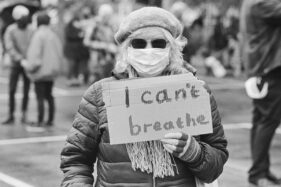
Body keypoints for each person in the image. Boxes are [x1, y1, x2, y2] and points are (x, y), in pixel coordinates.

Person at [60, 7, 228, 187]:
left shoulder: (195, 91)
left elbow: (216, 161)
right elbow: (75, 160)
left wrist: (195, 153)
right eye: (139, 43)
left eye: (158, 43)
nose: (149, 50)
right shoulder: (99, 94)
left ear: (172, 48)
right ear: (126, 48)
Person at [240, 0, 281, 186]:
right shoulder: (262, 3)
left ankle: (260, 170)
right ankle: (258, 173)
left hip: (261, 67)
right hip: (267, 68)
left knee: (260, 120)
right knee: (267, 120)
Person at [24, 12, 64, 127]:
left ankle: (40, 120)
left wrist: (30, 68)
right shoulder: (53, 35)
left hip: (40, 72)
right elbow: (59, 53)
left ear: (38, 22)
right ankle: (50, 120)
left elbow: (34, 55)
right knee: (49, 96)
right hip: (52, 72)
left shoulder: (38, 35)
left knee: (40, 97)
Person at [2, 5, 33, 125]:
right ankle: (11, 114)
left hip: (27, 64)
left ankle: (24, 114)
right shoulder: (11, 29)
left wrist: (29, 60)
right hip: (16, 64)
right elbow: (9, 46)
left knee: (26, 90)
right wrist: (20, 59)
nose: (26, 19)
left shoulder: (31, 29)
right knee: (11, 89)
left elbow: (34, 45)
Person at [83, 4, 117, 83]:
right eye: (107, 16)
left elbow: (114, 41)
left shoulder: (111, 26)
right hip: (97, 61)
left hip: (110, 61)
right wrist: (104, 46)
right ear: (103, 15)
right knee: (97, 86)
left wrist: (116, 47)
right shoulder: (94, 25)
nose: (109, 19)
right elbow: (86, 42)